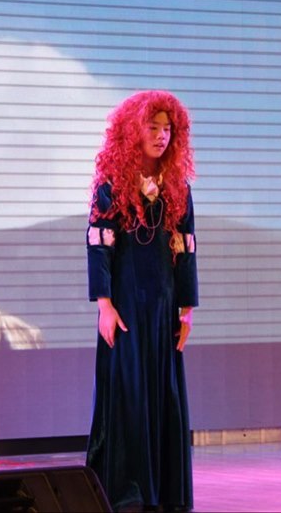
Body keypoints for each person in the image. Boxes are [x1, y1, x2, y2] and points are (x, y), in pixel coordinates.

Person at [86, 91, 199, 512]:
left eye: (167, 129)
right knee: (129, 392)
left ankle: (164, 491)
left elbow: (186, 247)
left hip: (163, 308)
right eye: (152, 127)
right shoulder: (111, 186)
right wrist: (104, 304)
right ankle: (128, 491)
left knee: (164, 393)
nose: (161, 136)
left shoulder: (178, 188)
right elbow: (98, 246)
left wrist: (186, 309)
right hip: (127, 307)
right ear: (132, 131)